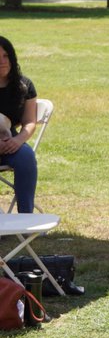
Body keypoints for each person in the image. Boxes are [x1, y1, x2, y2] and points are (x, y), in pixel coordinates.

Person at [0, 36, 40, 213]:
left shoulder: (24, 85)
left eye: (6, 56)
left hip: (11, 141)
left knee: (26, 156)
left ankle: (26, 217)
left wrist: (18, 140)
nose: (2, 62)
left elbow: (30, 121)